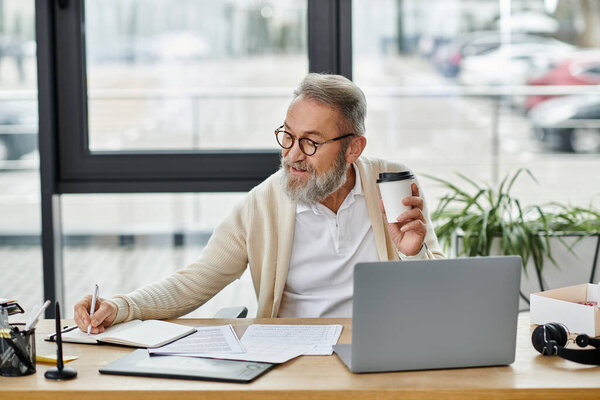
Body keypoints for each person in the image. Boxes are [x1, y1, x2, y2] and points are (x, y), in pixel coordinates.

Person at [74, 73, 445, 333]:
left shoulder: (392, 184)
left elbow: (436, 296)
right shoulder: (265, 203)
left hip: (378, 344)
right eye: (287, 135)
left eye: (310, 142)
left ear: (353, 148)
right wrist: (121, 306)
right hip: (293, 351)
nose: (292, 155)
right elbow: (197, 280)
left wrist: (413, 254)